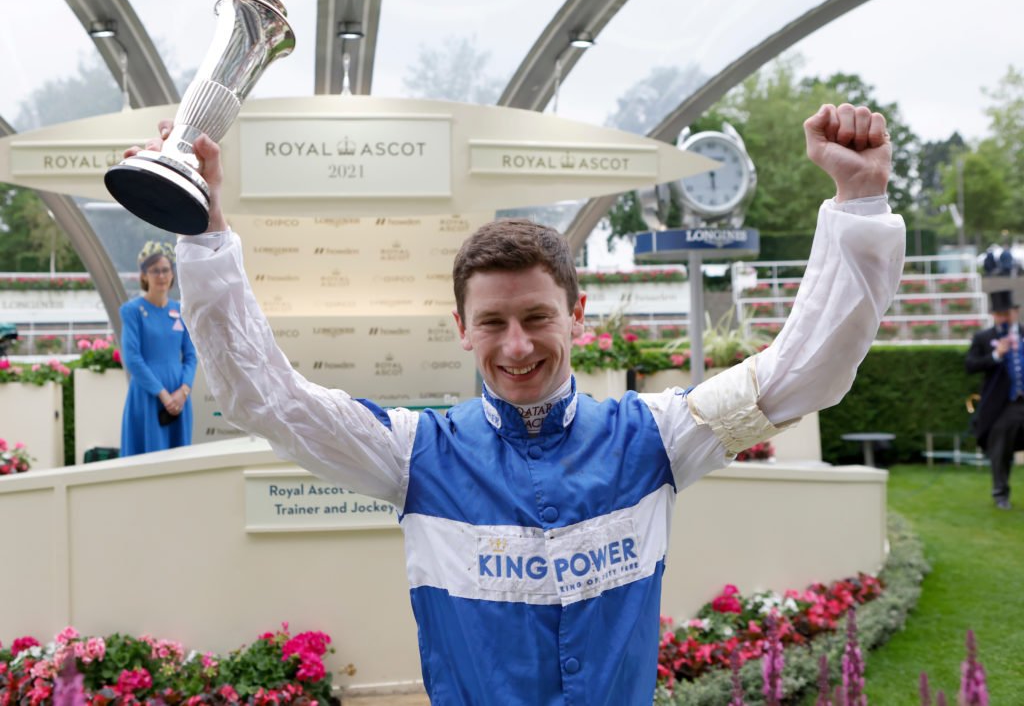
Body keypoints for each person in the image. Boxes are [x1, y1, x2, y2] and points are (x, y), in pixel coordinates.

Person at [128, 103, 904, 705]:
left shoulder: (657, 437)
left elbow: (803, 372)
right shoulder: (413, 454)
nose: (518, 346)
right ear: (461, 330)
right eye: (493, 323)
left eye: (537, 318)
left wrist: (860, 204)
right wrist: (205, 236)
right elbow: (265, 396)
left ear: (578, 314)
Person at [118, 241, 197, 456]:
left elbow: (191, 356)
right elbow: (133, 359)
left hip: (179, 397)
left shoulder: (181, 311)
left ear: (172, 274)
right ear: (144, 275)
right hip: (148, 395)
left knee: (178, 460)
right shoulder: (132, 311)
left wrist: (183, 391)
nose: (161, 276)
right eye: (154, 271)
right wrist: (163, 395)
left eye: (165, 270)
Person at [965, 289, 1024, 510]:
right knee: (1000, 446)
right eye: (1000, 314)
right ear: (993, 315)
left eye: (1007, 313)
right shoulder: (984, 338)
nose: (1004, 318)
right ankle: (1001, 493)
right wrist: (996, 355)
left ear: (1015, 312)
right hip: (1003, 405)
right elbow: (970, 365)